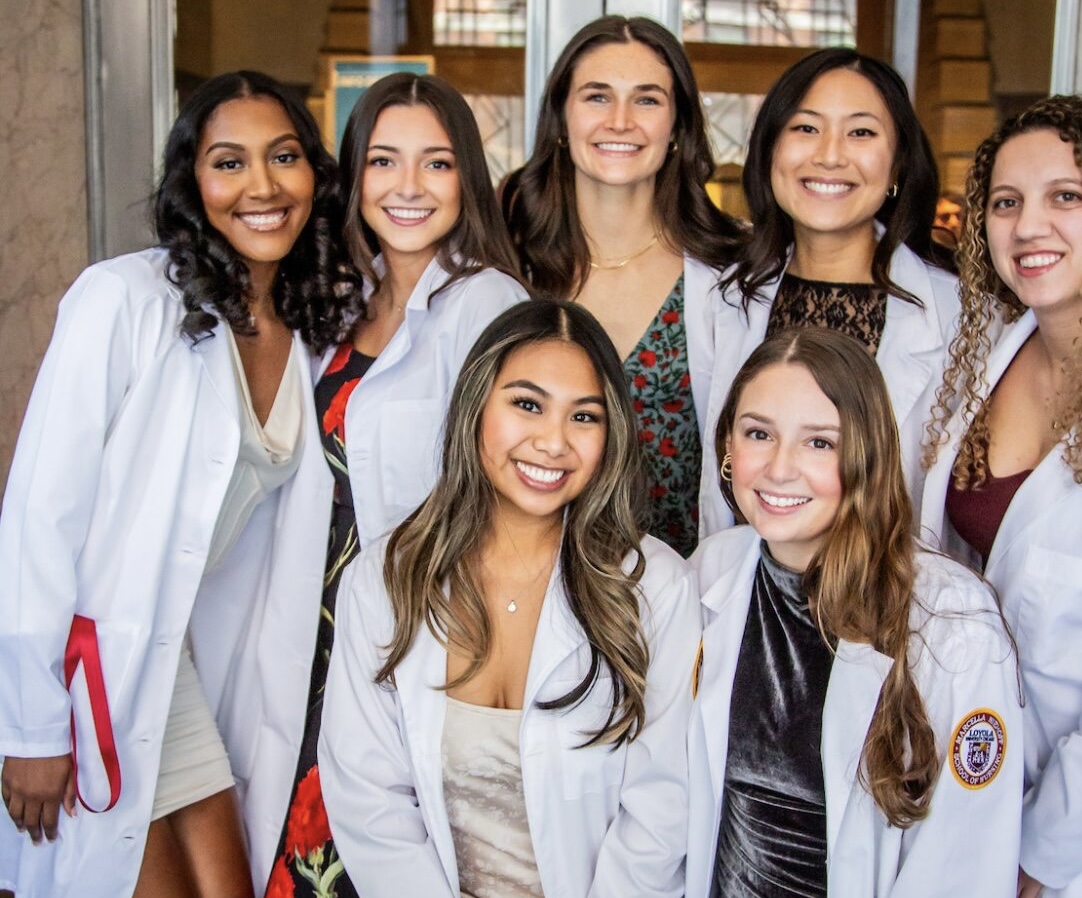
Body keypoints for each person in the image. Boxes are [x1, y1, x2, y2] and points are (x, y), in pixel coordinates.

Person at [0, 71, 361, 898]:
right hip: (88, 678)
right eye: (229, 163)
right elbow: (37, 518)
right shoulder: (123, 300)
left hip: (179, 677)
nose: (262, 187)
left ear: (314, 176)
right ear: (192, 184)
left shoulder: (307, 325)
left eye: (284, 158)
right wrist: (30, 727)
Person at [318, 301, 700, 897]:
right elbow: (369, 803)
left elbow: (661, 813)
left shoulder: (656, 588)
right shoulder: (385, 579)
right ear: (476, 406)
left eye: (584, 416)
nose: (553, 442)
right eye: (527, 405)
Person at [263, 73, 527, 898]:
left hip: (414, 624)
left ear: (467, 178)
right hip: (312, 626)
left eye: (436, 163)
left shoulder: (488, 302)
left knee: (377, 852)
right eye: (383, 161)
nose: (408, 186)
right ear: (355, 175)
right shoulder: (340, 297)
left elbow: (506, 493)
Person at [920, 95, 1082, 898]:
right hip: (971, 780)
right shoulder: (987, 358)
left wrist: (1039, 854)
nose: (1029, 226)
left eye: (1067, 196)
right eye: (1006, 202)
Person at [688, 327, 1022, 897]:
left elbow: (961, 866)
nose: (779, 468)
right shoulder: (711, 571)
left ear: (867, 454)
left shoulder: (953, 622)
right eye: (759, 433)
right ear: (727, 447)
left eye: (820, 443)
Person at [503, 15, 746, 556]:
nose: (620, 121)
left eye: (647, 99)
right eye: (597, 97)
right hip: (534, 579)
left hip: (688, 583)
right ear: (561, 119)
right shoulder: (509, 268)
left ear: (677, 125)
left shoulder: (734, 274)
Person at [702, 49, 958, 536]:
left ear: (899, 164)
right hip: (750, 576)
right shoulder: (726, 297)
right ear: (770, 149)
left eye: (861, 132)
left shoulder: (961, 314)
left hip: (892, 579)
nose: (830, 155)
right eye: (806, 127)